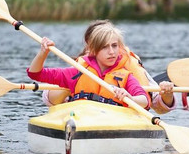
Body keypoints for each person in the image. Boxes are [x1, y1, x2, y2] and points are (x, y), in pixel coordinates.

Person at [29, 21, 173, 111]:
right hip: (81, 119)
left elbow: (145, 100)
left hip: (112, 120)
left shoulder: (126, 74)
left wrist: (129, 97)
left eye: (114, 46)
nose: (111, 52)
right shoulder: (78, 71)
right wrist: (43, 53)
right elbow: (35, 74)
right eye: (104, 47)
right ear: (92, 49)